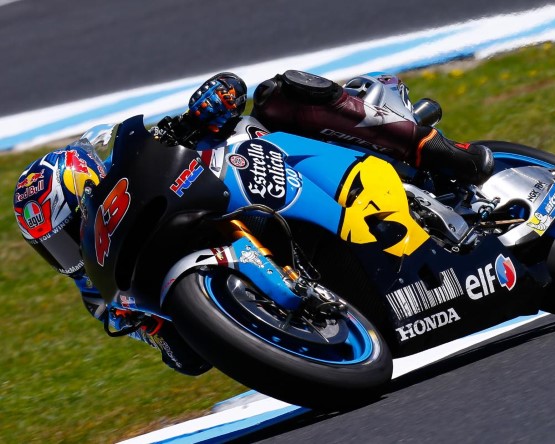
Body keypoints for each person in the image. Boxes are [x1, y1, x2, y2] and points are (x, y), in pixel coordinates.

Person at [13, 70, 494, 375]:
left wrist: (207, 107)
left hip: (276, 162)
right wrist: (157, 327)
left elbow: (228, 94)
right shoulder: (103, 294)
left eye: (70, 230)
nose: (71, 250)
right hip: (288, 277)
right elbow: (188, 361)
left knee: (280, 96)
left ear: (94, 190)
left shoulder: (144, 166)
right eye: (53, 247)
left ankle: (440, 153)